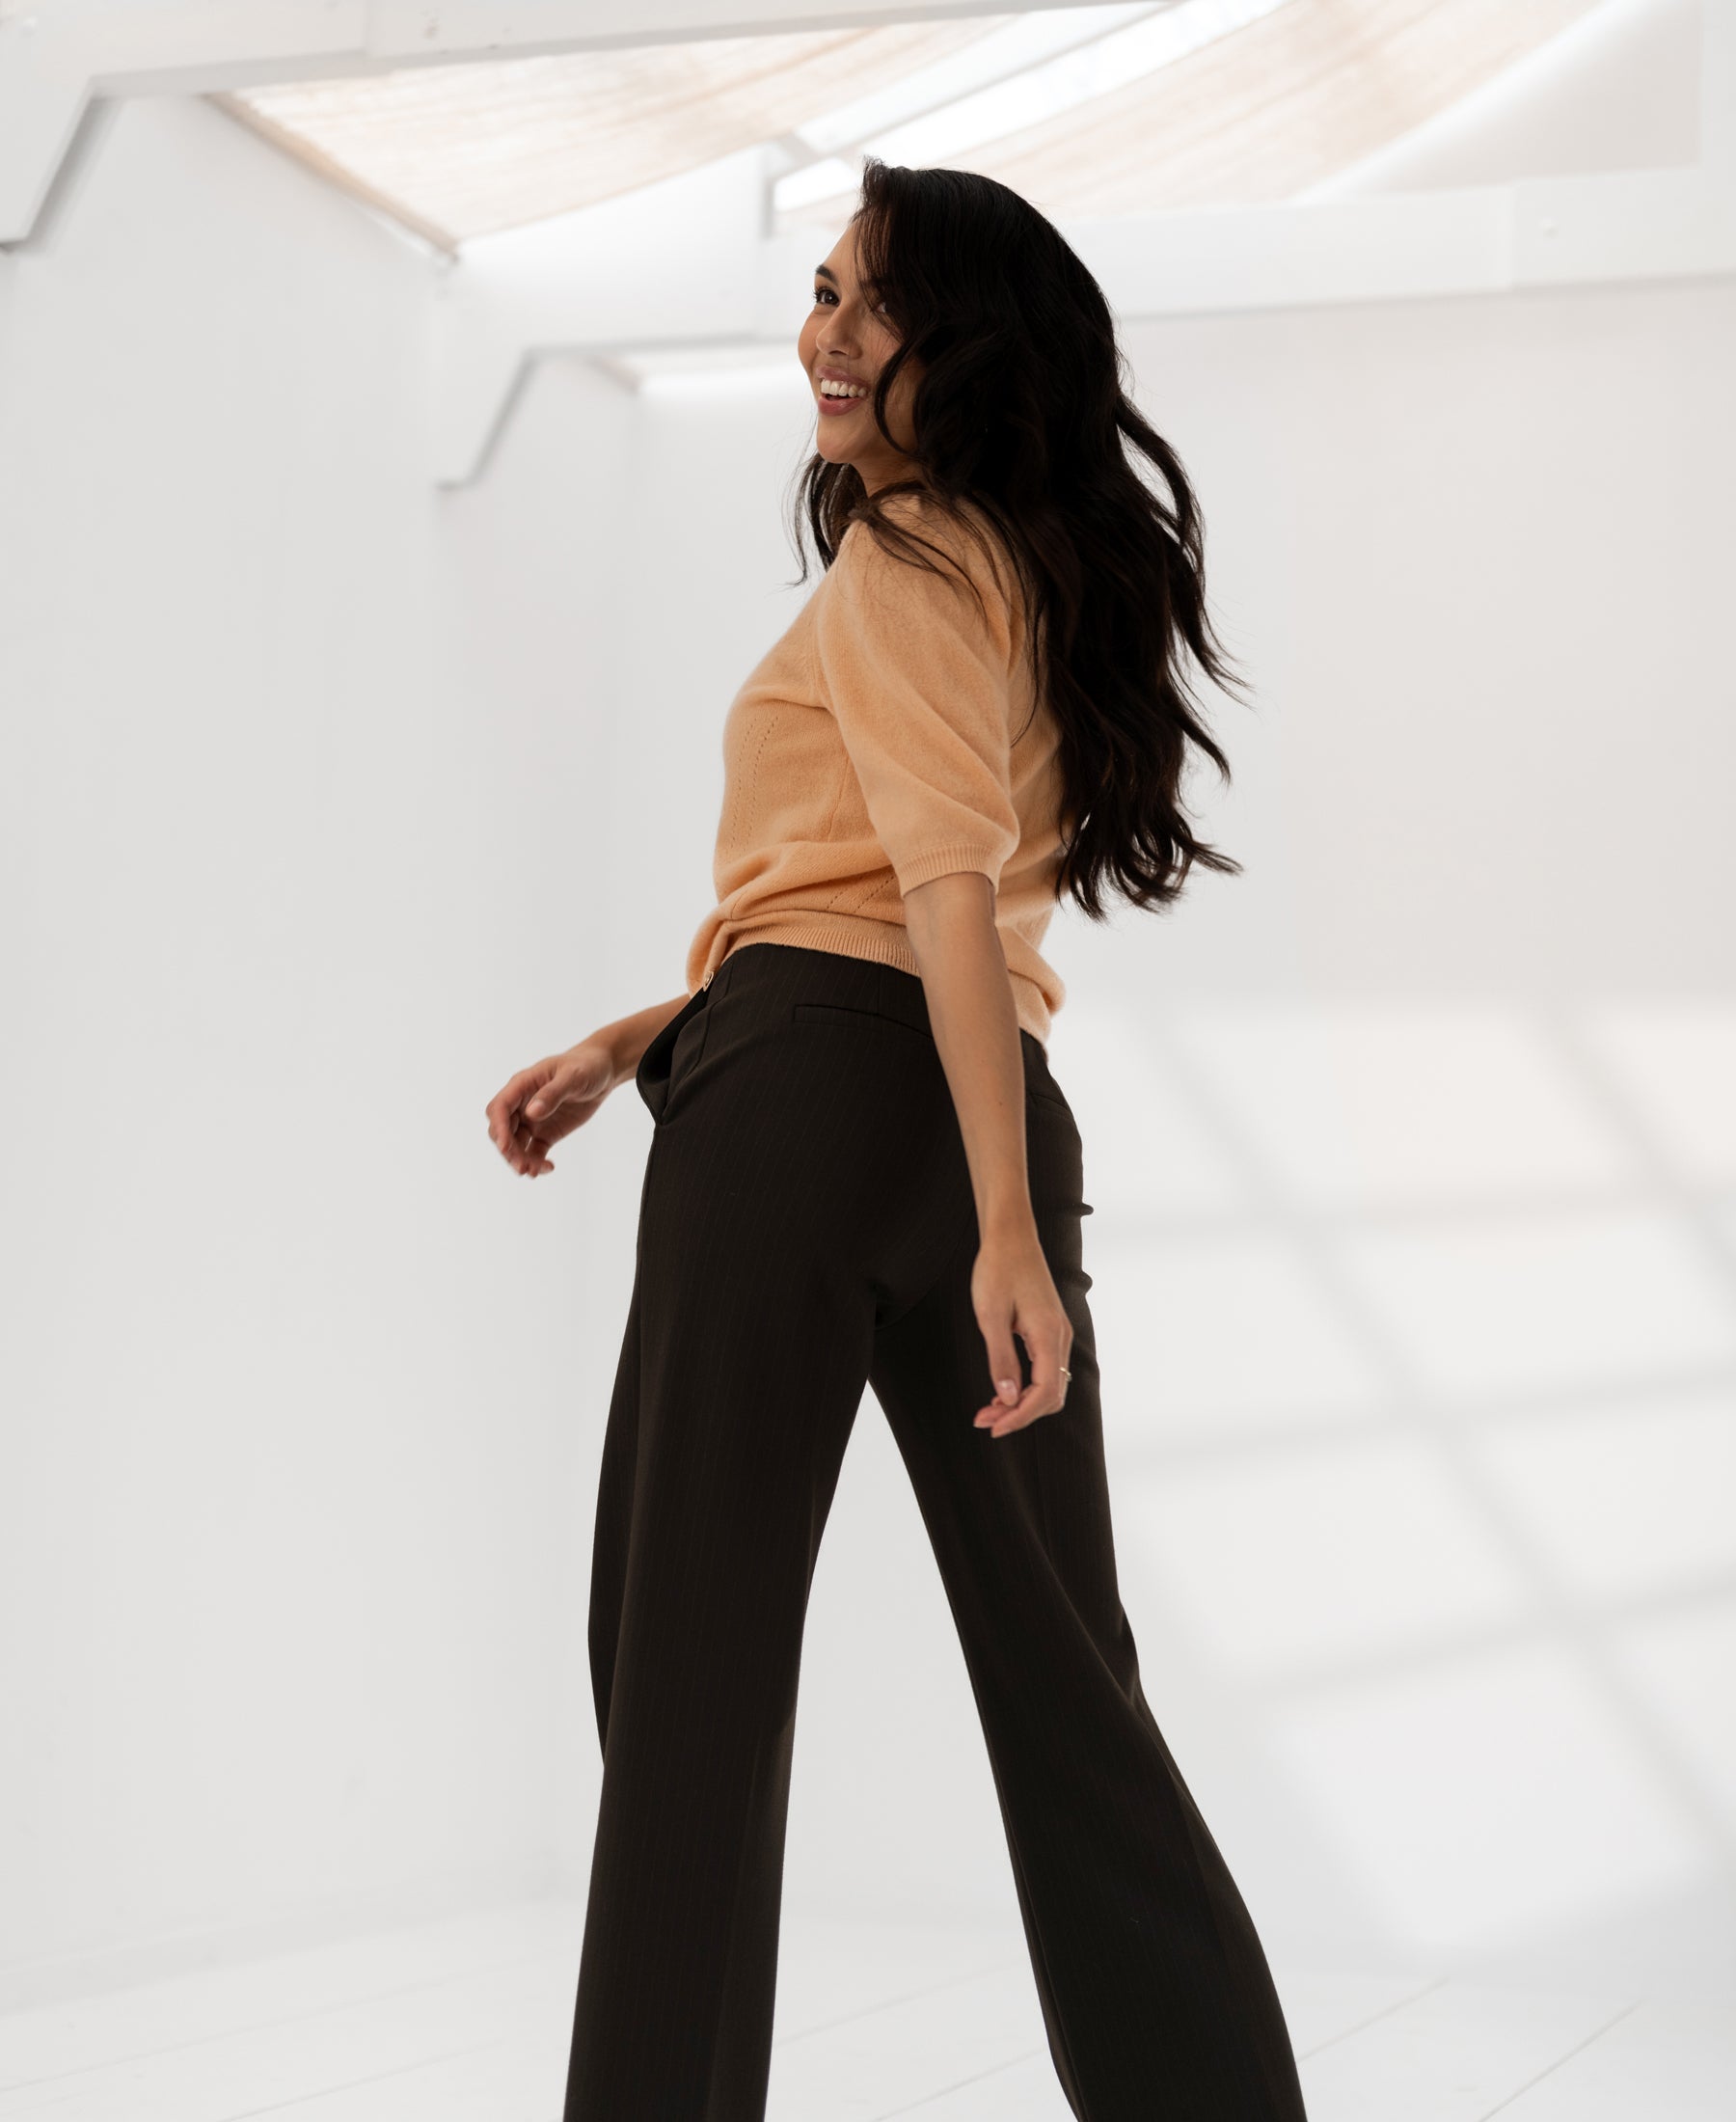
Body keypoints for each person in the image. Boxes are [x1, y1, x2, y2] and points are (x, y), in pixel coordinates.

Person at [485, 159, 1309, 2122]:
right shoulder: (1027, 565)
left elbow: (931, 887)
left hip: (811, 1110)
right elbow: (909, 894)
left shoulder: (903, 562)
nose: (829, 341)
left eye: (879, 308)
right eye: (825, 294)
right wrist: (643, 1035)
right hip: (967, 1092)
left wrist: (1001, 1236)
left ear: (974, 348)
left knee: (686, 1675)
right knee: (1071, 1690)